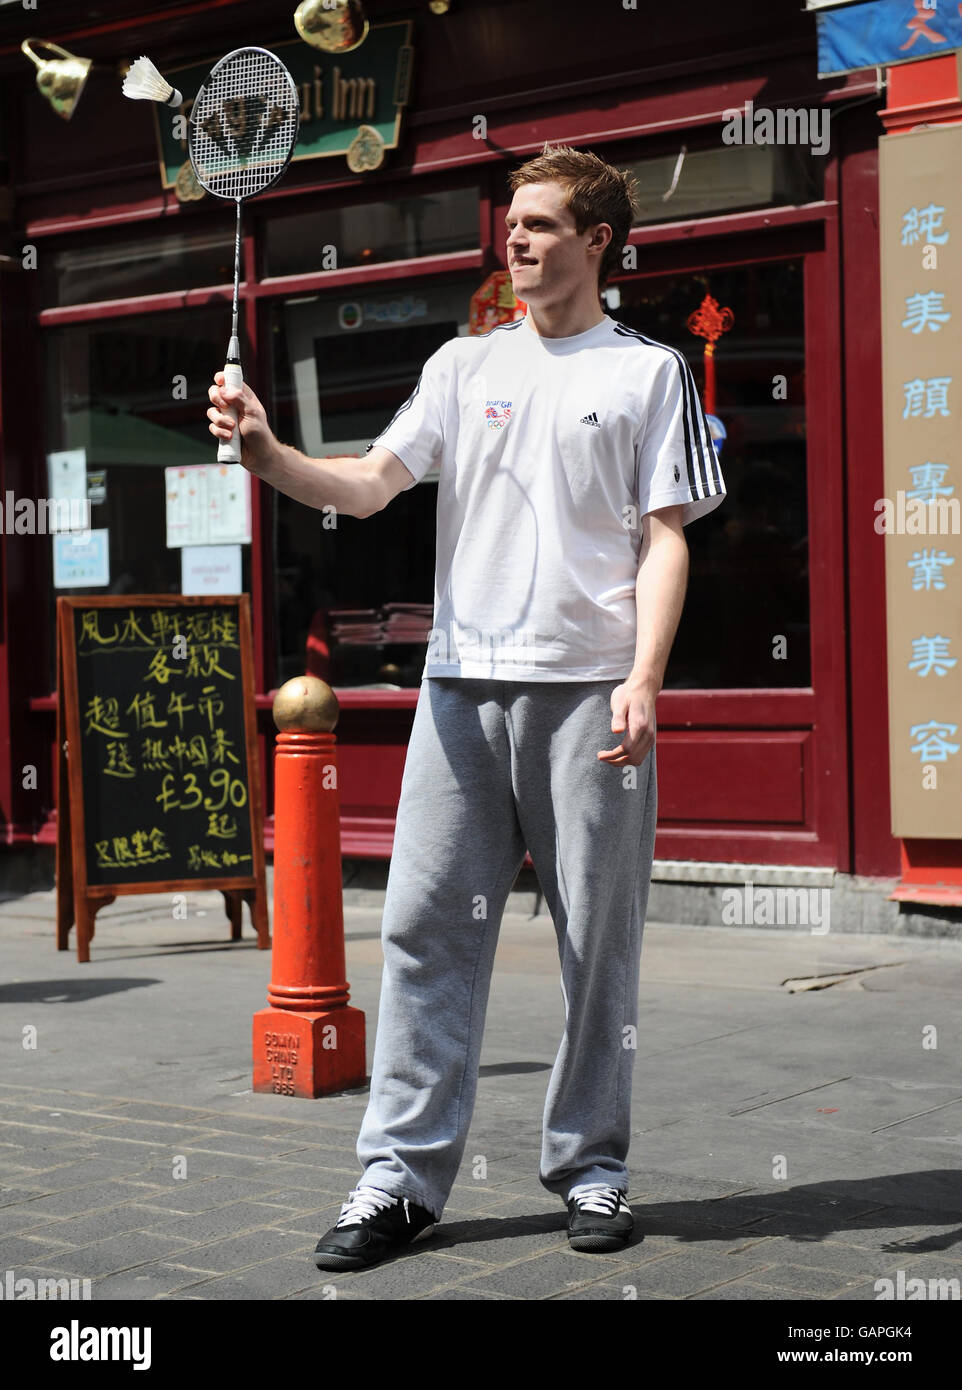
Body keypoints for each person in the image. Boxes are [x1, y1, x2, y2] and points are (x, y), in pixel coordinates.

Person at [207, 143, 726, 1273]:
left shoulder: (647, 373)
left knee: (601, 944)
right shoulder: (458, 363)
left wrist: (641, 678)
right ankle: (398, 1177)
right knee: (422, 929)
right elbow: (365, 483)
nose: (518, 239)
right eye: (512, 224)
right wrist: (265, 451)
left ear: (596, 242)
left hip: (588, 688)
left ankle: (591, 1169)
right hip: (456, 686)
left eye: (542, 224)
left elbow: (664, 539)